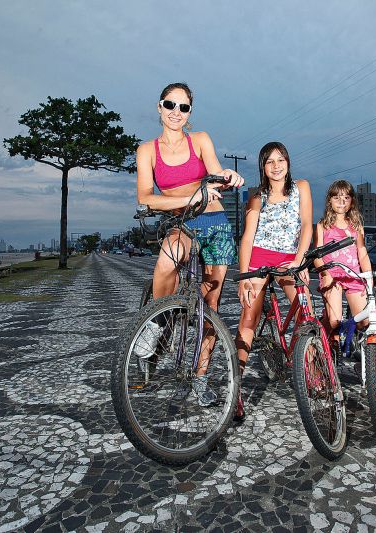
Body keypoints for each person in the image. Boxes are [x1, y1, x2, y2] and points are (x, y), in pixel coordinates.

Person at [135, 82, 244, 406]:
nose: (176, 113)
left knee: (211, 308)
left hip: (215, 223)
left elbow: (214, 175)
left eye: (183, 108)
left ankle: (201, 377)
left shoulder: (200, 139)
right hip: (181, 223)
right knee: (166, 262)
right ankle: (155, 324)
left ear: (189, 113)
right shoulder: (146, 151)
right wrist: (189, 196)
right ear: (159, 107)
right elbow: (146, 197)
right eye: (170, 105)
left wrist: (227, 176)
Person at [236, 141, 313, 420]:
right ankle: (236, 389)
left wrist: (301, 260)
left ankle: (314, 372)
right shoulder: (257, 195)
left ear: (288, 162)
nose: (276, 165)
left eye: (281, 159)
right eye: (270, 161)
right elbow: (247, 237)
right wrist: (244, 276)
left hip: (290, 258)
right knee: (248, 320)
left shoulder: (301, 187)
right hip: (259, 258)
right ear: (263, 167)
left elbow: (306, 225)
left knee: (307, 313)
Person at [314, 180, 372, 349]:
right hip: (332, 277)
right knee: (333, 321)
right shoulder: (322, 226)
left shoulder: (356, 226)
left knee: (364, 321)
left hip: (353, 276)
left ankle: (348, 338)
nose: (341, 202)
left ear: (352, 201)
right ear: (329, 200)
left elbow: (362, 252)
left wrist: (368, 276)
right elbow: (317, 255)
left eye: (346, 197)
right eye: (337, 197)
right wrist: (326, 274)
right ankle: (318, 340)